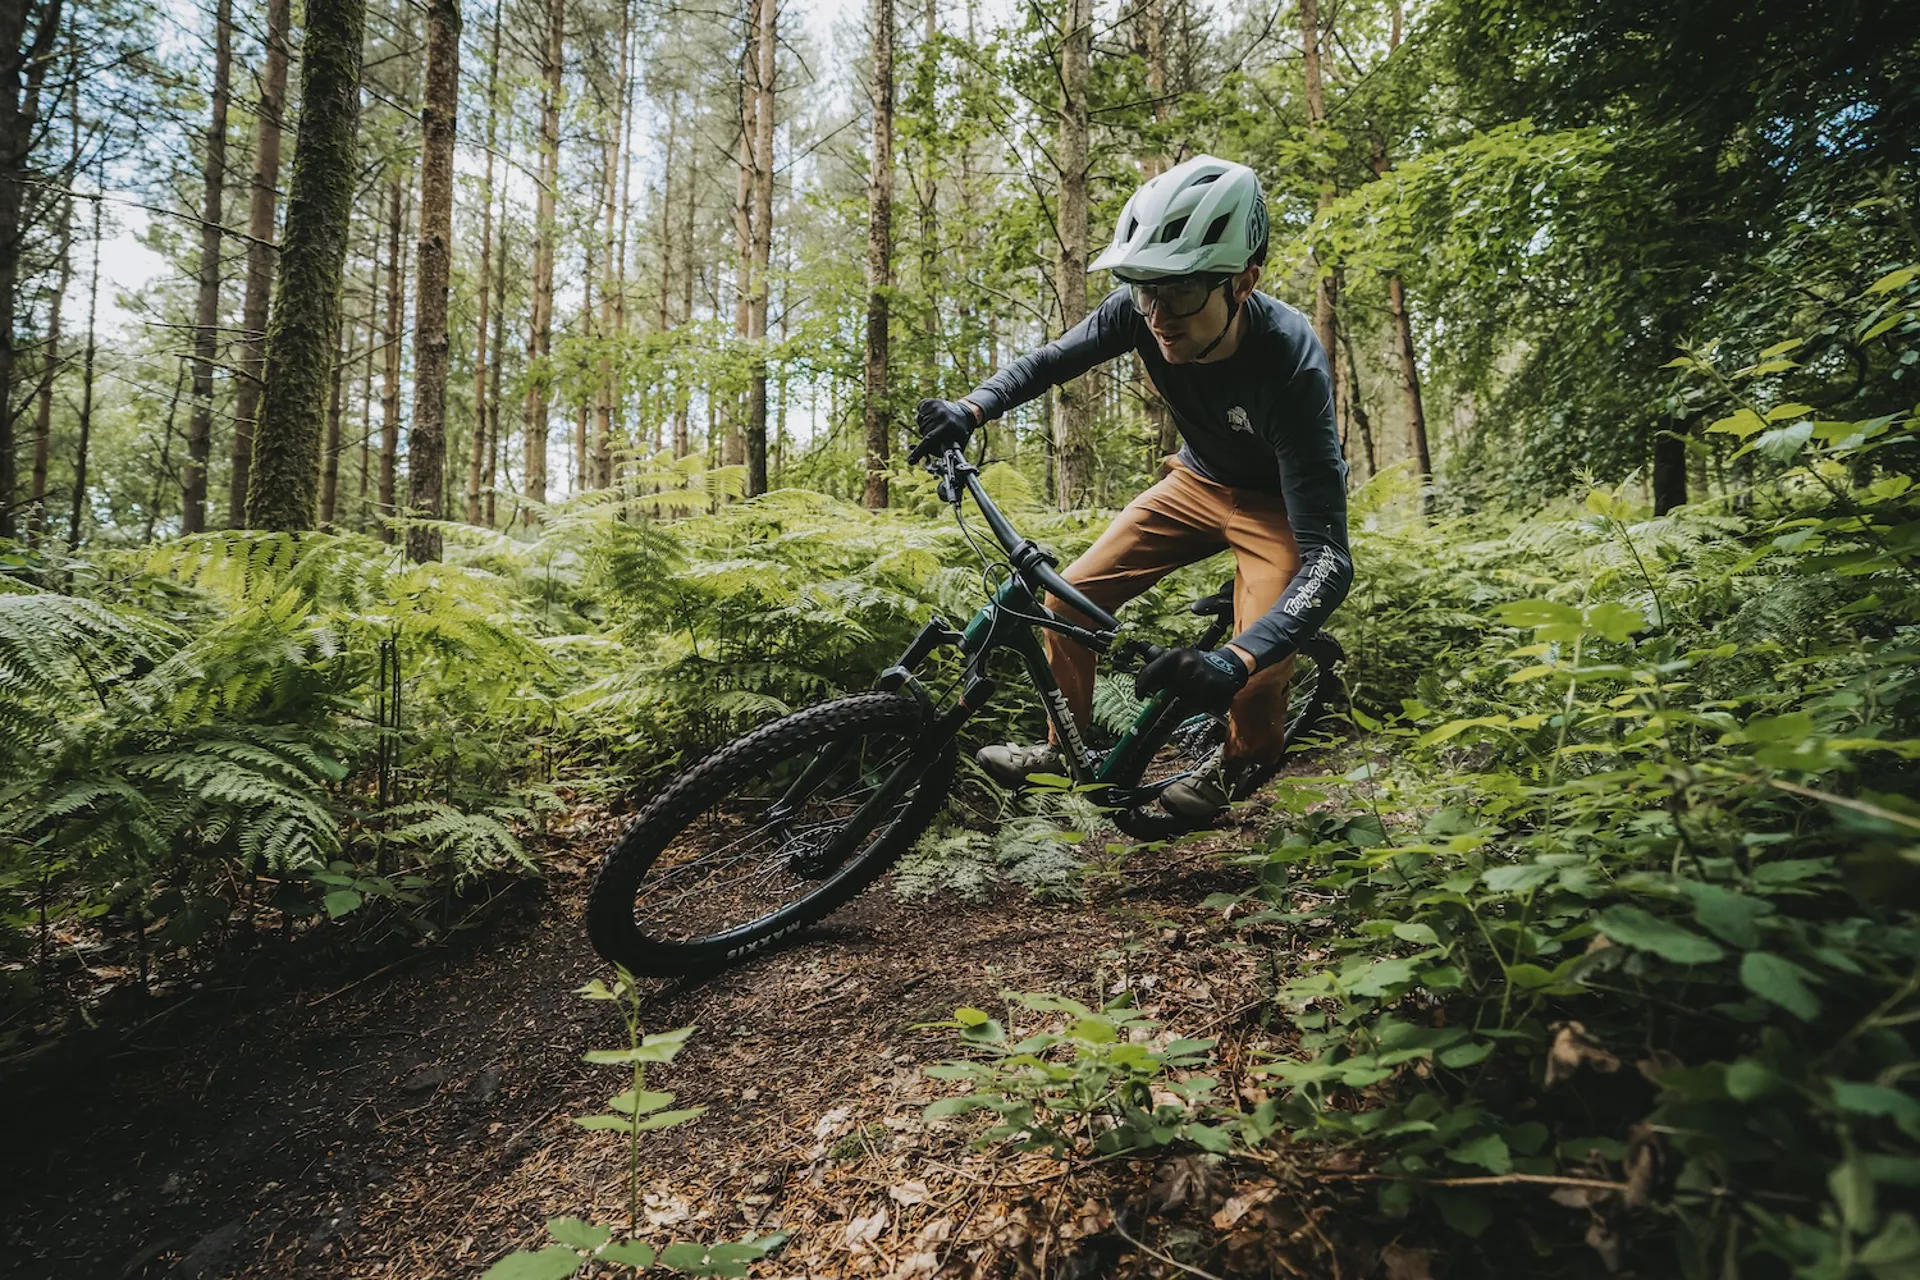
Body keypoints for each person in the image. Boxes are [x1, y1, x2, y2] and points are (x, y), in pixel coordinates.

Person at [909, 155, 1353, 821]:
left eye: (1181, 291)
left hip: (1280, 509)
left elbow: (1330, 559)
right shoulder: (1138, 312)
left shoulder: (1291, 365)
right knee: (1068, 601)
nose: (1158, 315)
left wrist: (1234, 661)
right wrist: (972, 409)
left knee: (1258, 669)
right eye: (1145, 290)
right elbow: (1050, 361)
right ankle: (1061, 750)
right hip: (1197, 482)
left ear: (1243, 282)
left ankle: (1236, 765)